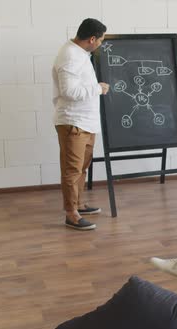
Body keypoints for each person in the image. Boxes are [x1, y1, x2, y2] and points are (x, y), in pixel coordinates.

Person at [53, 18, 110, 230]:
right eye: (101, 40)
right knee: (72, 170)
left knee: (82, 168)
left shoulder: (80, 54)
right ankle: (71, 214)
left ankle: (77, 204)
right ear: (92, 39)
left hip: (85, 122)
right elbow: (68, 92)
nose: (101, 44)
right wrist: (98, 88)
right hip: (72, 122)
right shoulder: (69, 56)